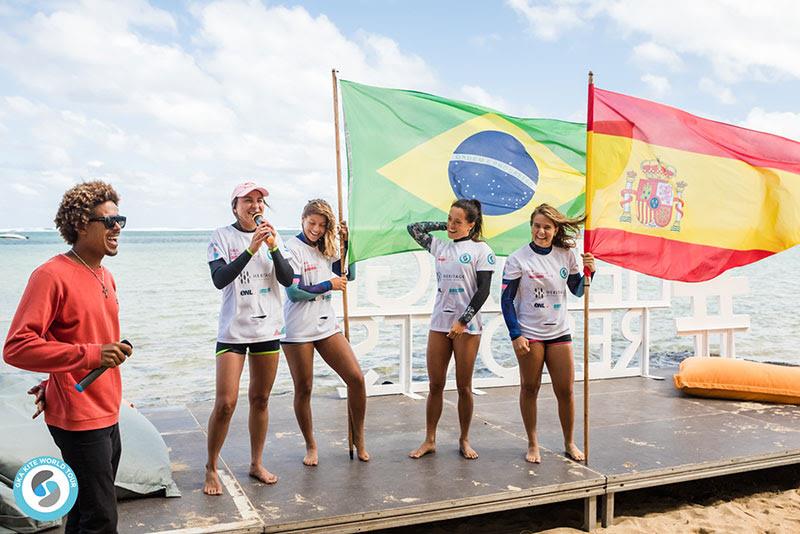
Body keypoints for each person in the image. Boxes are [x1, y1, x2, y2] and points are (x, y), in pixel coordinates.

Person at [4, 180, 132, 533]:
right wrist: (91, 355)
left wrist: (54, 378)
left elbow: (66, 340)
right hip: (79, 417)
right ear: (80, 224)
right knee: (102, 518)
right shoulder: (51, 275)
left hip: (107, 409)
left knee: (83, 512)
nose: (117, 226)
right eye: (108, 220)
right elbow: (17, 347)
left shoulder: (105, 274)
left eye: (120, 218)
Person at [203, 181, 294, 495]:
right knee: (226, 403)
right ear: (235, 206)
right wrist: (251, 248)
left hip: (267, 329)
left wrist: (272, 246)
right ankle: (211, 466)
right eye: (248, 201)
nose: (255, 206)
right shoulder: (221, 237)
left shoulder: (272, 235)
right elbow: (220, 279)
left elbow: (287, 278)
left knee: (261, 399)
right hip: (233, 331)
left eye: (259, 201)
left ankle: (256, 463)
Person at [501, 203, 595, 464]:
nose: (541, 232)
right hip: (529, 333)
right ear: (531, 226)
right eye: (536, 226)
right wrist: (515, 334)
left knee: (565, 390)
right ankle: (533, 443)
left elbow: (577, 291)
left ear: (555, 230)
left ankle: (569, 443)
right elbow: (506, 300)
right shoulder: (517, 258)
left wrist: (590, 271)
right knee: (530, 388)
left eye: (546, 227)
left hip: (559, 331)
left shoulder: (566, 254)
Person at [281, 199, 369, 465]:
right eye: (312, 223)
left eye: (322, 225)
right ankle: (311, 445)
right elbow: (293, 293)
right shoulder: (291, 248)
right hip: (297, 329)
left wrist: (347, 244)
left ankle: (358, 437)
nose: (316, 230)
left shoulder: (327, 246)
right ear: (302, 220)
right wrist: (327, 285)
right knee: (304, 388)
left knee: (356, 378)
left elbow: (348, 275)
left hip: (326, 326)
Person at [407, 199, 495, 460]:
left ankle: (464, 439)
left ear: (472, 224)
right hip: (440, 323)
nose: (451, 225)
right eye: (449, 219)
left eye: (458, 221)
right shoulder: (439, 246)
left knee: (463, 386)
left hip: (467, 326)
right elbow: (413, 228)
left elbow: (483, 290)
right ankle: (430, 439)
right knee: (435, 384)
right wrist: (442, 225)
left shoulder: (482, 250)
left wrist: (463, 321)